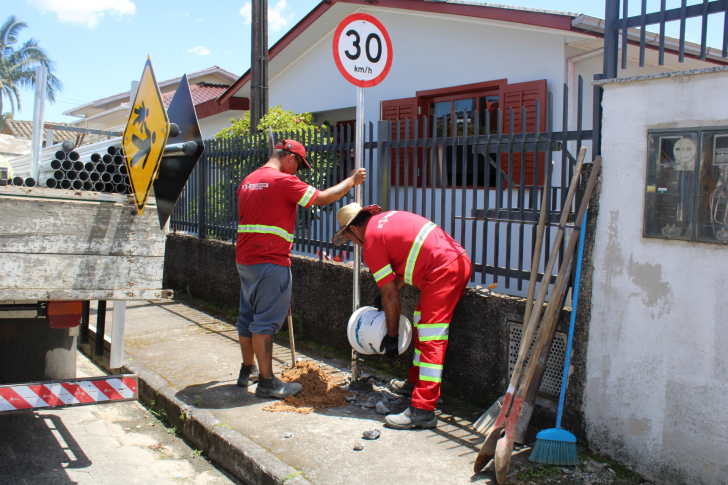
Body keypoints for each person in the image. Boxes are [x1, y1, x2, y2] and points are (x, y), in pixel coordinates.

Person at [236, 139, 366, 399]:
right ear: (290, 158)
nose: (297, 172)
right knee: (263, 324)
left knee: (247, 318)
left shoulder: (248, 180)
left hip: (245, 260)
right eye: (299, 166)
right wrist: (351, 181)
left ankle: (246, 371)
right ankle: (267, 383)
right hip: (271, 261)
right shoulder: (283, 181)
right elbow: (322, 198)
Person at [333, 203, 471, 429]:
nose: (354, 244)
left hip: (442, 271)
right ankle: (415, 383)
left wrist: (392, 337)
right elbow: (409, 263)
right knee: (421, 321)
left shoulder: (371, 242)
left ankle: (423, 409)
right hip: (453, 262)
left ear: (354, 230)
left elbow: (389, 295)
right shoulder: (386, 221)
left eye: (349, 238)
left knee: (431, 337)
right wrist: (390, 290)